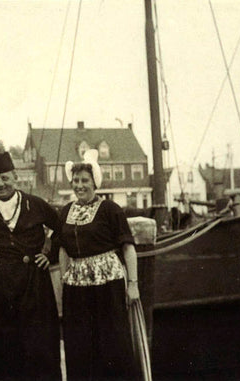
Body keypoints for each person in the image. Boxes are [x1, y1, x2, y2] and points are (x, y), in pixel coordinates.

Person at [0, 152, 62, 381]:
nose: (1, 184)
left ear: (15, 177)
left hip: (34, 284)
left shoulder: (35, 205)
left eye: (5, 178)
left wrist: (50, 254)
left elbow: (61, 228)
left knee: (39, 346)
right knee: (3, 347)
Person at [56, 149, 139, 380]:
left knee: (112, 341)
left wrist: (133, 284)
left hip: (107, 283)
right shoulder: (65, 212)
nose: (79, 185)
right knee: (80, 343)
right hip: (76, 285)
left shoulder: (110, 210)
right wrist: (65, 279)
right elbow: (63, 248)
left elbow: (128, 248)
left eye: (85, 180)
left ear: (95, 182)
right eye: (76, 181)